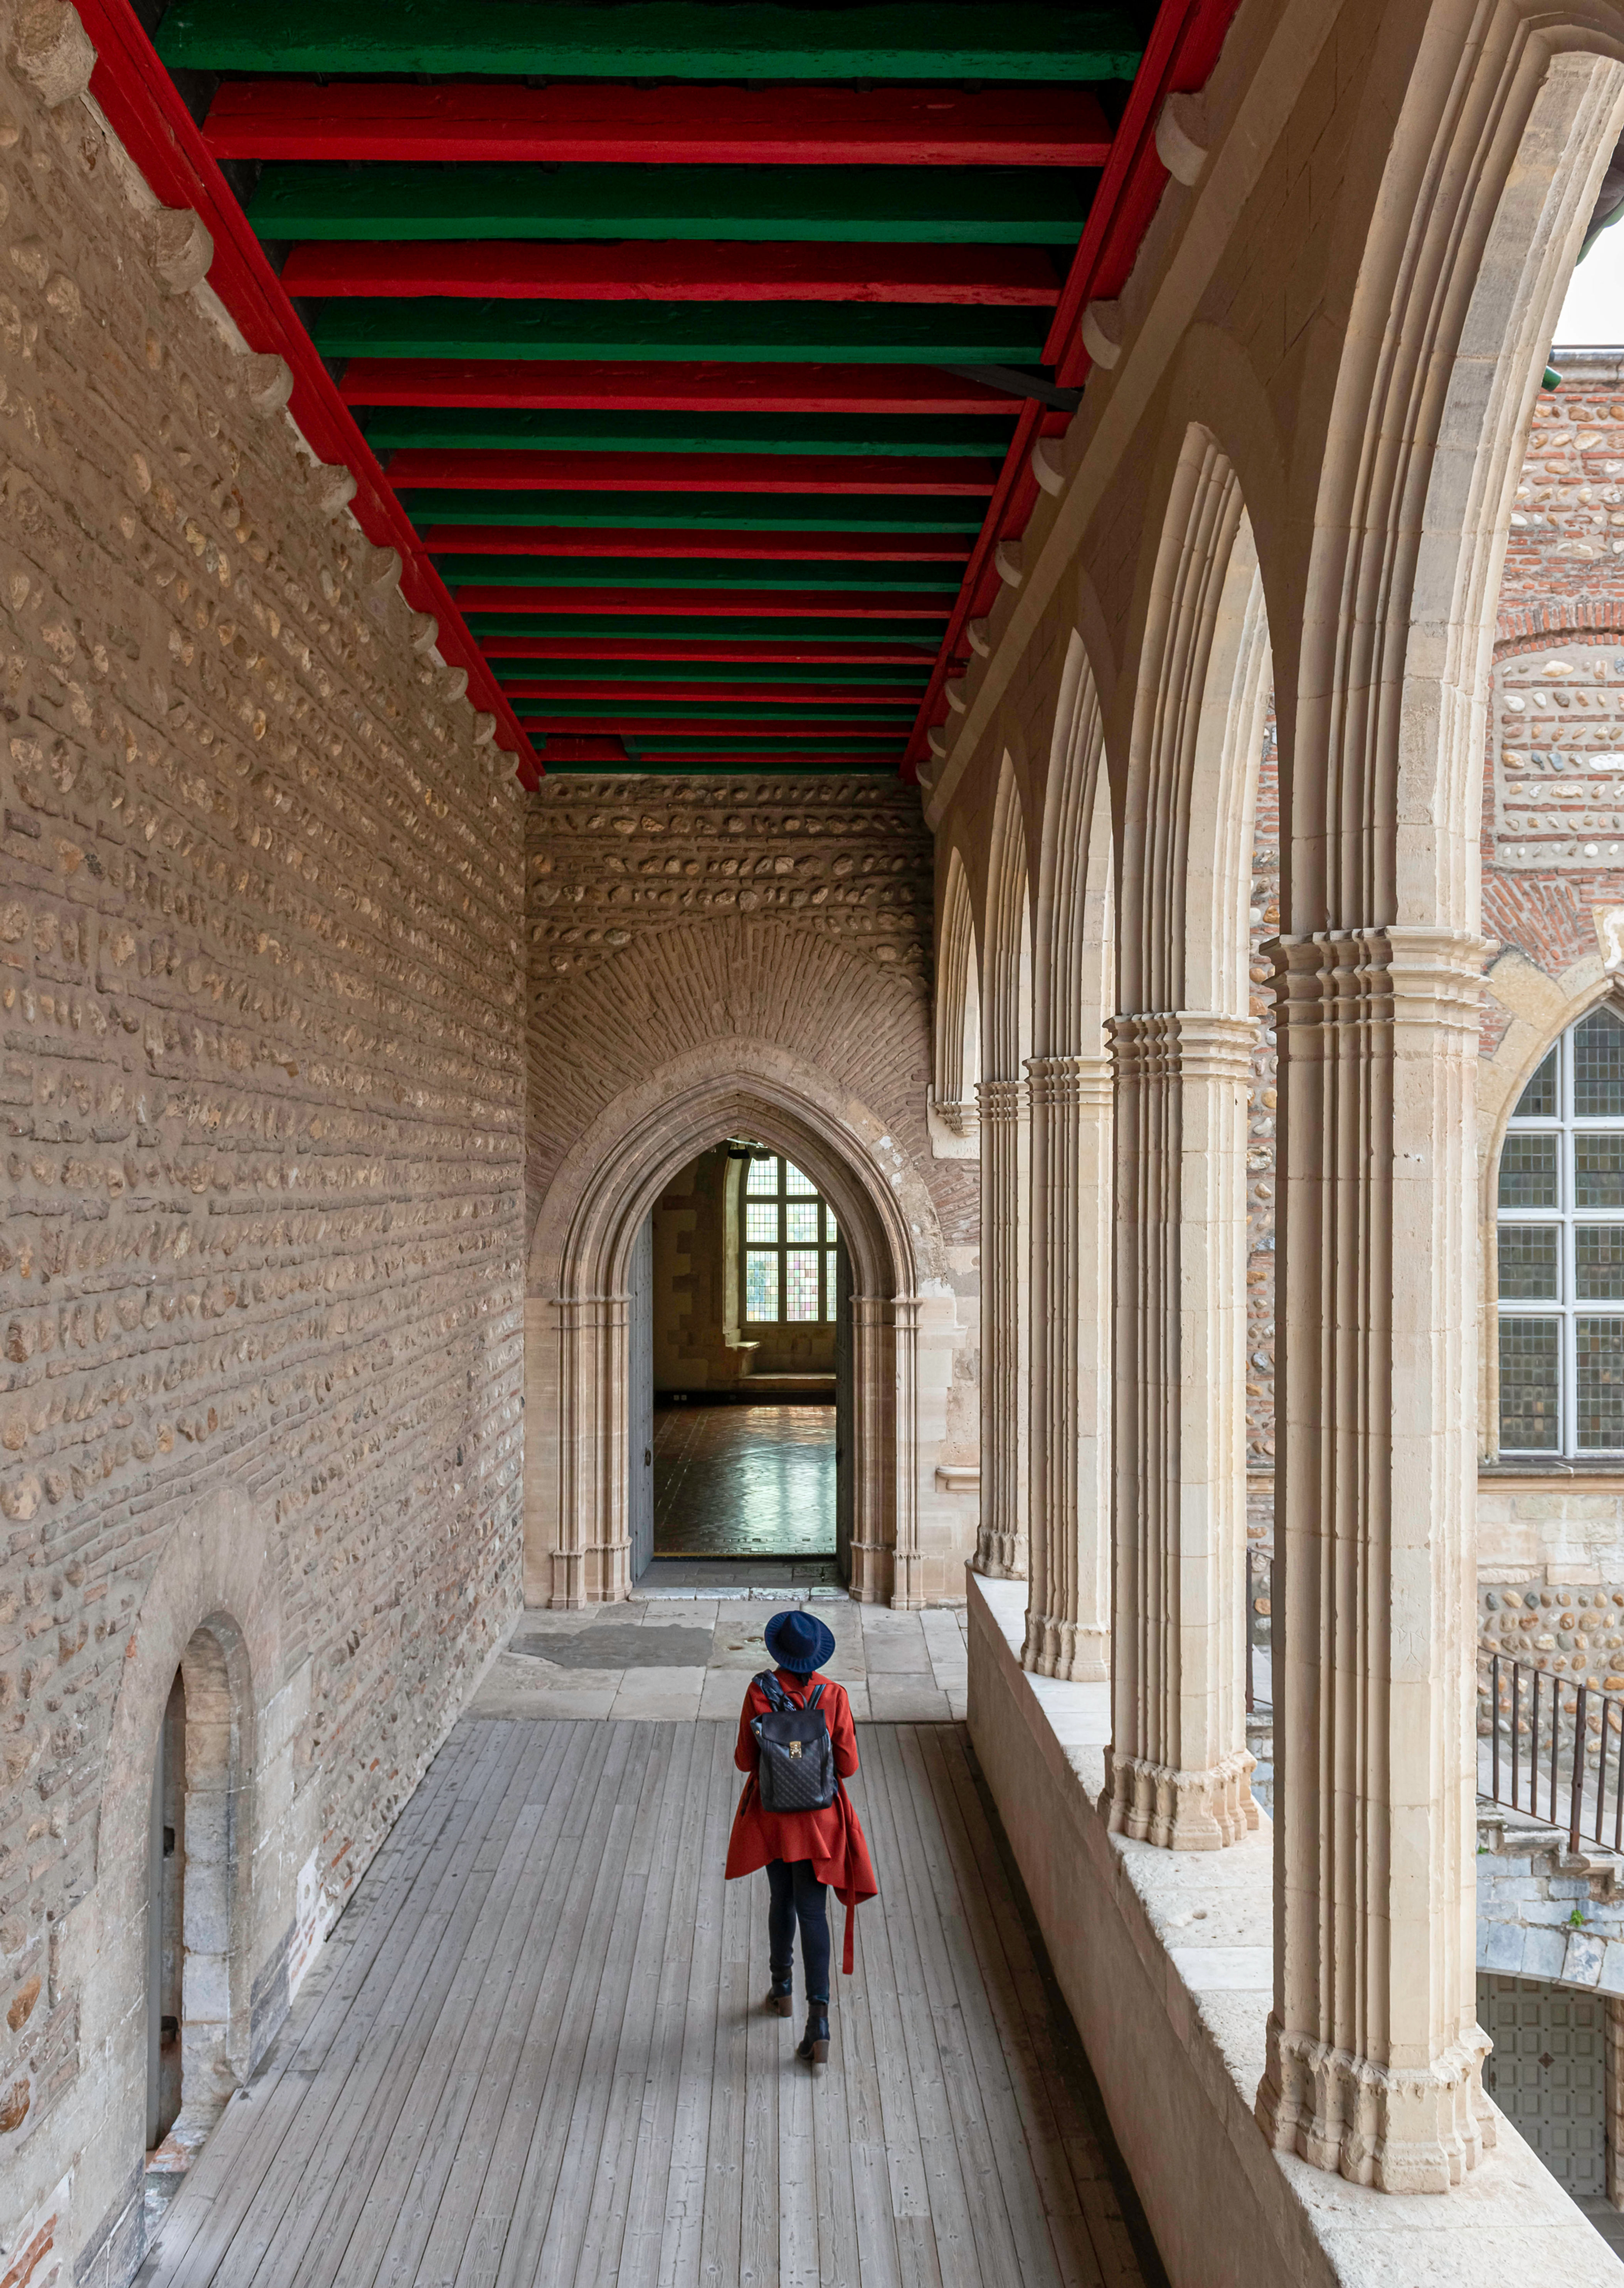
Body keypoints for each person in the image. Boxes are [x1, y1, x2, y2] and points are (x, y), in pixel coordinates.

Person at [723, 1607, 876, 2066]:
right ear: (815, 1656)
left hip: (774, 1817)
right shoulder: (834, 1696)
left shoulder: (759, 1691)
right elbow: (846, 1767)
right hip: (820, 1824)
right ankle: (819, 2022)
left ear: (778, 1653)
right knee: (814, 1912)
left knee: (781, 1901)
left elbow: (745, 1761)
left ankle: (781, 1988)